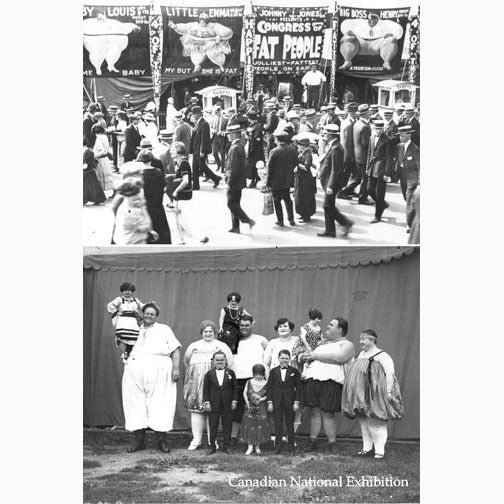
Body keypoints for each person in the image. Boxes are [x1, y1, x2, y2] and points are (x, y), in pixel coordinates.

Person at [122, 302, 181, 454]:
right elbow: (123, 347)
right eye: (146, 313)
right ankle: (138, 442)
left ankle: (161, 442)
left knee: (160, 403)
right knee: (135, 404)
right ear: (142, 314)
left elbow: (175, 349)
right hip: (135, 368)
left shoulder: (164, 329)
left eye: (152, 314)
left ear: (156, 316)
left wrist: (176, 368)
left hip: (160, 368)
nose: (149, 316)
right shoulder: (134, 328)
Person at [342, 329, 404, 459]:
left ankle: (379, 451)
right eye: (360, 339)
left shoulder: (382, 355)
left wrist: (388, 392)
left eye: (363, 339)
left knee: (375, 422)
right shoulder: (361, 355)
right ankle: (367, 448)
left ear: (371, 340)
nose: (361, 342)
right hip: (360, 394)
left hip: (375, 394)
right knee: (364, 422)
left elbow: (390, 374)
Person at [300, 316, 355, 454]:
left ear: (340, 329)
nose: (327, 327)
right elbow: (309, 359)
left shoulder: (347, 344)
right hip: (313, 380)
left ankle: (332, 443)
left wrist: (314, 356)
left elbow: (339, 358)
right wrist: (307, 358)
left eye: (331, 325)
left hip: (331, 382)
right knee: (315, 411)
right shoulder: (321, 345)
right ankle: (312, 441)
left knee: (328, 413)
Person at [183, 320, 233, 450]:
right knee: (196, 411)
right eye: (205, 331)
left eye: (211, 331)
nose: (208, 333)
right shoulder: (194, 346)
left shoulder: (221, 346)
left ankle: (213, 441)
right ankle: (196, 440)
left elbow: (230, 363)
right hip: (196, 384)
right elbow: (186, 361)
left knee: (213, 412)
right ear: (201, 332)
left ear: (215, 332)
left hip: (215, 387)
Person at [228, 314, 268, 443]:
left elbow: (268, 360)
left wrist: (266, 377)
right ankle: (234, 437)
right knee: (238, 409)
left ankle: (256, 438)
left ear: (252, 324)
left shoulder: (261, 340)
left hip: (256, 379)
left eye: (247, 325)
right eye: (241, 325)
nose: (244, 328)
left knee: (257, 408)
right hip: (237, 378)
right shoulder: (233, 339)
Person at [317, 124, 354, 238]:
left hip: (331, 184)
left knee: (327, 206)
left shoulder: (336, 148)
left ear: (331, 135)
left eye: (326, 133)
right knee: (329, 206)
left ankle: (345, 222)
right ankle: (330, 231)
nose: (324, 135)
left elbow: (336, 169)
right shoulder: (333, 145)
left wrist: (331, 186)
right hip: (328, 182)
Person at [169, 12, 233, 73]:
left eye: (204, 21)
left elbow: (226, 31)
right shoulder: (193, 25)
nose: (202, 22)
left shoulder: (213, 26)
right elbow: (184, 27)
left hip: (210, 44)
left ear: (207, 21)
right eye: (201, 20)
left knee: (213, 54)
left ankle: (220, 65)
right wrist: (175, 26)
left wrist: (219, 35)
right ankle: (197, 65)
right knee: (196, 55)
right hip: (197, 44)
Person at [339, 13, 403, 70]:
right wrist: (347, 31)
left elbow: (399, 29)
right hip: (360, 43)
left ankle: (387, 62)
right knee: (347, 38)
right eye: (370, 20)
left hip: (378, 44)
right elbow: (344, 24)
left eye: (374, 20)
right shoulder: (358, 22)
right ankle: (347, 61)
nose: (372, 22)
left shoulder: (386, 23)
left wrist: (393, 34)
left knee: (391, 39)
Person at [266, 349, 301, 455]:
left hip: (290, 401)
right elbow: (269, 388)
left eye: (286, 358)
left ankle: (291, 448)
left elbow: (299, 388)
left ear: (290, 359)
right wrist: (270, 402)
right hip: (277, 402)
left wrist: (296, 402)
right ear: (278, 358)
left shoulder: (294, 371)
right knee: (278, 425)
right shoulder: (273, 371)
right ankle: (277, 448)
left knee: (290, 425)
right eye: (282, 358)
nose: (284, 360)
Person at [203, 351, 239, 455]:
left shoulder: (230, 373)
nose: (219, 362)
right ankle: (212, 446)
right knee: (213, 425)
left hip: (227, 403)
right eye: (217, 360)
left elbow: (235, 388)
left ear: (226, 361)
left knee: (227, 425)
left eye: (222, 360)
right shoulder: (209, 374)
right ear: (213, 361)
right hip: (213, 403)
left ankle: (226, 446)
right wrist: (207, 402)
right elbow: (205, 389)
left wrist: (234, 400)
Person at [224, 125, 256, 234]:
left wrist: (229, 182)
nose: (228, 136)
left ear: (234, 135)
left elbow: (234, 167)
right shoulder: (239, 145)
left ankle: (247, 220)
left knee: (231, 204)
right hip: (239, 181)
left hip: (234, 181)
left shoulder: (234, 148)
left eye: (229, 134)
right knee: (235, 203)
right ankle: (235, 227)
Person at [266, 131, 298, 227]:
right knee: (287, 199)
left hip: (276, 181)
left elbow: (270, 168)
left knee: (277, 200)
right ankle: (291, 219)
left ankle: (280, 221)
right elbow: (295, 163)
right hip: (287, 179)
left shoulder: (274, 151)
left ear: (278, 139)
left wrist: (268, 182)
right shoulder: (292, 150)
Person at [112, 180, 158, 245]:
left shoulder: (122, 205)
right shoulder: (133, 212)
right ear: (136, 194)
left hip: (123, 241)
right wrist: (143, 208)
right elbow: (147, 227)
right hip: (134, 245)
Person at [107, 282, 144, 363]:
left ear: (132, 291)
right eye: (125, 290)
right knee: (122, 336)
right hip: (123, 321)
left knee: (134, 338)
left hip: (133, 321)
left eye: (129, 290)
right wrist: (116, 312)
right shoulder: (119, 299)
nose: (127, 292)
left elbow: (143, 306)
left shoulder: (136, 300)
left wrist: (150, 305)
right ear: (122, 291)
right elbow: (110, 305)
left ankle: (127, 354)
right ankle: (125, 353)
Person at [140, 151, 172, 244]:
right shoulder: (159, 172)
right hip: (159, 206)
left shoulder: (142, 175)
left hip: (148, 207)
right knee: (163, 233)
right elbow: (164, 187)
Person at [366, 120, 394, 223]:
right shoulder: (371, 138)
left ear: (383, 129)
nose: (378, 131)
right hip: (372, 168)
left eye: (380, 129)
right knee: (369, 190)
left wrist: (387, 173)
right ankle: (382, 204)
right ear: (373, 128)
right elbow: (369, 153)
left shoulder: (387, 140)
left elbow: (389, 158)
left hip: (381, 170)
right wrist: (367, 167)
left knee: (379, 194)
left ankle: (377, 216)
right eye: (376, 129)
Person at [240, 364, 270, 455]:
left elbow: (268, 395)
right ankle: (250, 446)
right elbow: (244, 393)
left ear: (263, 374)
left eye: (260, 374)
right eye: (256, 374)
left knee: (260, 424)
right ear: (253, 374)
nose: (258, 376)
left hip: (261, 407)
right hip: (250, 406)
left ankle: (257, 446)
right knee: (249, 424)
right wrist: (248, 403)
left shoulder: (266, 383)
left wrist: (261, 399)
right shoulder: (249, 382)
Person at [190, 106, 221, 190]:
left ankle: (215, 178)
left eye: (194, 114)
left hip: (200, 150)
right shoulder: (198, 123)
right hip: (196, 149)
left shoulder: (204, 124)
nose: (193, 116)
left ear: (198, 114)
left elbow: (204, 139)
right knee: (195, 167)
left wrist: (202, 151)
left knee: (202, 166)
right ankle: (196, 185)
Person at [394, 125, 419, 231]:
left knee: (409, 200)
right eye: (400, 136)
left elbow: (420, 166)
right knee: (407, 199)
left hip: (412, 180)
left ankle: (409, 224)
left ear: (409, 135)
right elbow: (398, 162)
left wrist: (419, 181)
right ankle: (414, 217)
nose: (401, 138)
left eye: (403, 136)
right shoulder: (399, 146)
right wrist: (394, 176)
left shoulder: (415, 149)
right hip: (403, 179)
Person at [291, 308, 323, 379]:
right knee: (307, 356)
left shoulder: (318, 328)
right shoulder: (305, 327)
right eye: (318, 319)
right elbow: (303, 338)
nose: (319, 321)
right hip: (302, 347)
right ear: (314, 318)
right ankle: (304, 372)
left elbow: (320, 338)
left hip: (313, 347)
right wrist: (308, 347)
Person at [293, 135, 317, 223]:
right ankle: (302, 214)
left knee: (304, 197)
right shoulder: (303, 153)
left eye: (300, 145)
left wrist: (297, 164)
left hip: (305, 178)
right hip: (301, 177)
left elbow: (307, 167)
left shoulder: (308, 154)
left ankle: (306, 215)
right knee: (300, 196)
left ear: (304, 146)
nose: (299, 147)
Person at [92, 124, 114, 198]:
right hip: (106, 159)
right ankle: (113, 190)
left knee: (100, 176)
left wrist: (94, 156)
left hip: (100, 159)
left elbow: (102, 151)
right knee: (107, 175)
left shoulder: (99, 139)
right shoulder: (105, 137)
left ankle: (100, 194)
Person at [83, 137, 106, 205]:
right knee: (93, 187)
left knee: (89, 187)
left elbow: (85, 165)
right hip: (89, 172)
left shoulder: (87, 152)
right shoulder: (87, 151)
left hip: (87, 172)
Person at [245, 110, 264, 188]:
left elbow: (257, 139)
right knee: (251, 165)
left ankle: (254, 180)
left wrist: (249, 138)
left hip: (255, 149)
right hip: (251, 148)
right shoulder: (252, 125)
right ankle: (255, 179)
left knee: (253, 165)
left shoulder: (258, 126)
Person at [210, 106, 228, 173]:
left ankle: (223, 168)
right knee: (214, 153)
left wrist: (221, 132)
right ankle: (219, 164)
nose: (217, 113)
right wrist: (213, 130)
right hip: (215, 138)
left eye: (218, 112)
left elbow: (227, 130)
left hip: (222, 138)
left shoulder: (225, 119)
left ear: (221, 111)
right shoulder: (214, 119)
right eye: (216, 112)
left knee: (222, 154)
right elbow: (211, 127)